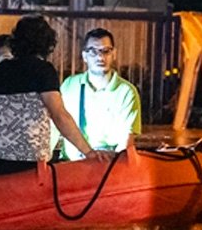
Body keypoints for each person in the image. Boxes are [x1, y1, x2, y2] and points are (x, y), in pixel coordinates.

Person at [0, 16, 109, 176]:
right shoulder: (43, 71)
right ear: (48, 45)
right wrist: (88, 152)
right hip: (31, 165)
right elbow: (60, 115)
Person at [56, 28, 143, 158]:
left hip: (106, 165)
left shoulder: (126, 92)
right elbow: (56, 123)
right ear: (84, 56)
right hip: (71, 165)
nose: (100, 57)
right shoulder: (69, 85)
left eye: (106, 51)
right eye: (93, 51)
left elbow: (126, 141)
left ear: (114, 54)